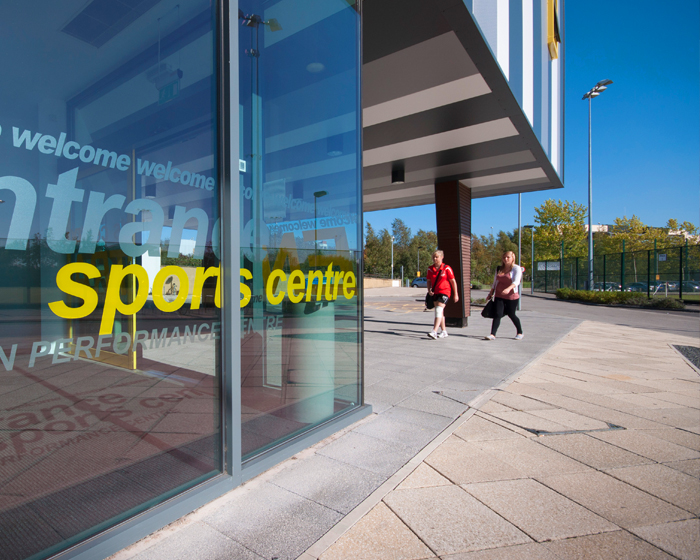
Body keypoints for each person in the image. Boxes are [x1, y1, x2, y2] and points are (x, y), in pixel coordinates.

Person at [485, 251, 523, 340]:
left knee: (511, 314)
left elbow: (516, 282)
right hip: (499, 294)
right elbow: (495, 281)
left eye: (508, 257)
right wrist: (491, 293)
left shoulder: (516, 268)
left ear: (513, 258)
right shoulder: (499, 268)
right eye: (504, 257)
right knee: (497, 314)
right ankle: (492, 334)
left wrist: (508, 289)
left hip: (511, 295)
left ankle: (520, 332)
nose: (505, 259)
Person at [426, 250, 459, 339]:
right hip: (435, 292)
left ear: (441, 257)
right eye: (433, 257)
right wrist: (429, 290)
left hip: (445, 292)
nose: (435, 259)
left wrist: (456, 294)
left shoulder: (447, 268)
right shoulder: (430, 269)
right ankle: (444, 331)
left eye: (437, 257)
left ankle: (434, 331)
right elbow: (429, 281)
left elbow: (453, 281)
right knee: (440, 312)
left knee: (438, 310)